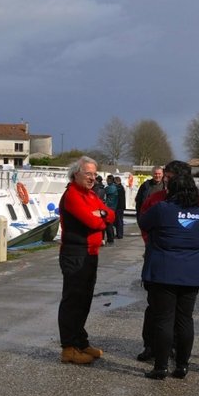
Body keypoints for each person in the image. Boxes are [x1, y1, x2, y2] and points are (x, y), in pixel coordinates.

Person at [136, 160, 199, 362]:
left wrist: (192, 252)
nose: (165, 182)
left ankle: (175, 350)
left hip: (178, 261)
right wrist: (154, 246)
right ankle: (151, 345)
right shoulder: (155, 199)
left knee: (179, 316)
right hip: (160, 257)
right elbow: (144, 226)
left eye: (169, 178)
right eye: (165, 177)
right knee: (155, 308)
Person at [58, 156, 115, 365]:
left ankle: (81, 342)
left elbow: (110, 215)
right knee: (73, 301)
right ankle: (69, 348)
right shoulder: (72, 195)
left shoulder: (90, 195)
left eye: (94, 174)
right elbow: (94, 222)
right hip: (75, 253)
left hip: (91, 253)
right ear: (76, 174)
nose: (92, 178)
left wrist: (100, 214)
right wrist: (100, 217)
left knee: (85, 300)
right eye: (88, 173)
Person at [103, 175, 118, 244]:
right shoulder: (115, 187)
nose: (106, 181)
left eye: (107, 180)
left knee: (108, 223)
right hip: (113, 207)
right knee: (110, 223)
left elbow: (104, 192)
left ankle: (110, 239)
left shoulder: (110, 188)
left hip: (109, 207)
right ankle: (111, 238)